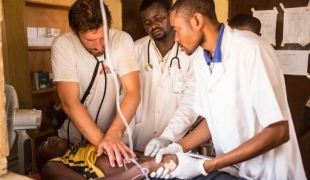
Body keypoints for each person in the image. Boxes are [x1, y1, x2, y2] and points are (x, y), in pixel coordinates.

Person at [154, 0, 307, 179]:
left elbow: (278, 131)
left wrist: (206, 166)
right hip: (235, 171)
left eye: (177, 29)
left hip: (269, 172)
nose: (176, 38)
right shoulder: (200, 60)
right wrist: (177, 147)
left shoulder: (251, 50)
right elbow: (212, 120)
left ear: (197, 20)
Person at [51, 0, 140, 168]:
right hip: (76, 140)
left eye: (103, 36)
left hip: (116, 136)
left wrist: (113, 135)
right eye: (90, 40)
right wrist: (104, 143)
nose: (99, 46)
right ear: (74, 32)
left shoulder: (122, 40)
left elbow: (132, 91)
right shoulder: (63, 45)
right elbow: (69, 101)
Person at [133, 0, 199, 157]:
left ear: (171, 15)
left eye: (158, 18)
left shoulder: (191, 51)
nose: (153, 26)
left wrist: (167, 136)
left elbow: (191, 102)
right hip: (138, 142)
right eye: (147, 22)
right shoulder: (135, 49)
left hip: (178, 144)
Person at [36, 136, 178, 180]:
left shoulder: (82, 145)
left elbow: (129, 152)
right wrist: (143, 169)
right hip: (143, 172)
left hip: (155, 170)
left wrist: (156, 157)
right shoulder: (52, 166)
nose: (49, 138)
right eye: (43, 145)